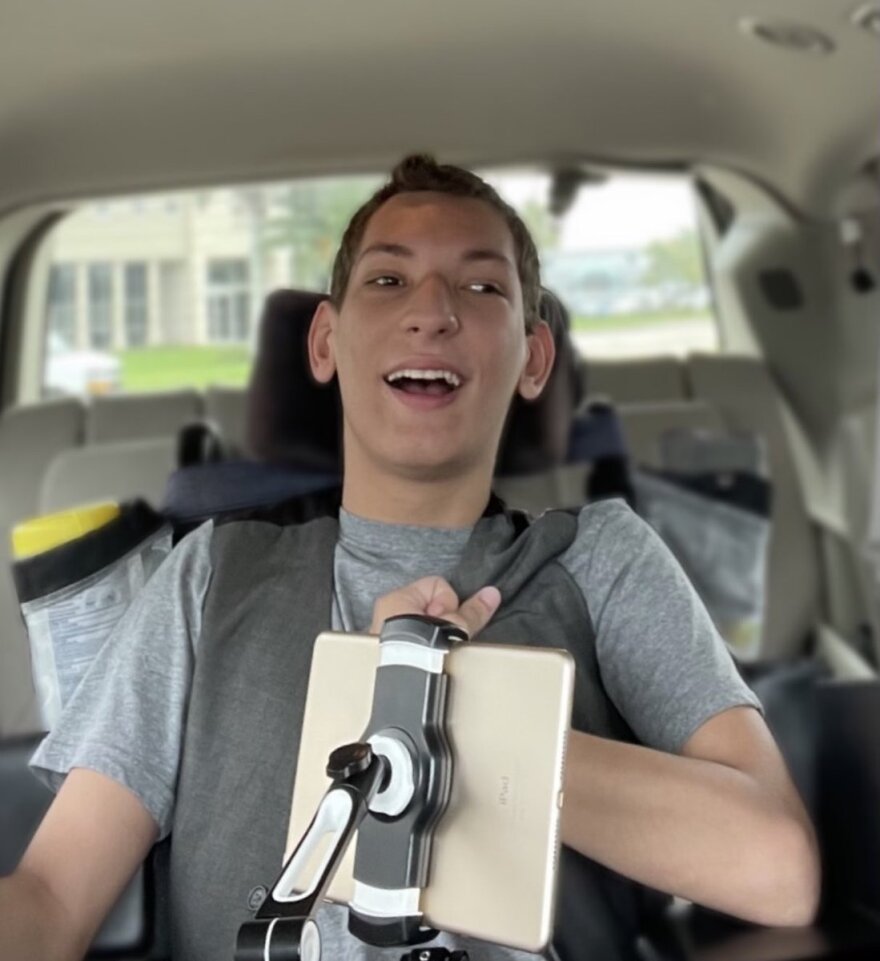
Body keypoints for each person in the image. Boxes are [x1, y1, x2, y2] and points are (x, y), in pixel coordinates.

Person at [0, 155, 820, 961]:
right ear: (326, 340)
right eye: (389, 281)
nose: (433, 312)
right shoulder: (210, 575)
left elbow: (777, 870)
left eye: (482, 285)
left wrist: (433, 711)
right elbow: (52, 897)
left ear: (534, 358)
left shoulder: (602, 560)